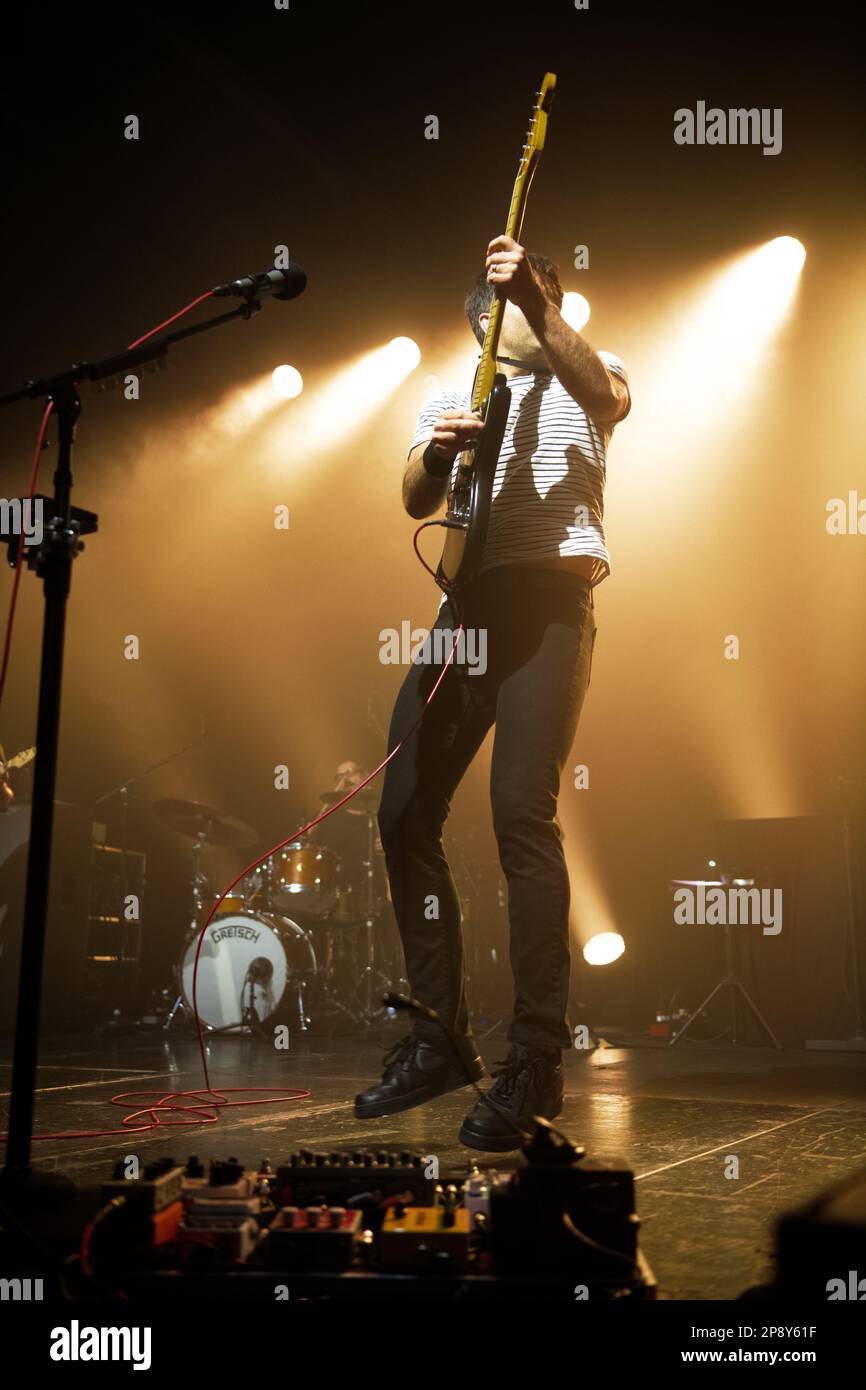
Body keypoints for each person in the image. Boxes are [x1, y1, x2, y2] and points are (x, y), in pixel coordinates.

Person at [355, 234, 630, 1150]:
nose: (501, 313)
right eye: (496, 303)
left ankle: (536, 1057)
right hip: (468, 607)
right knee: (402, 810)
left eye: (523, 300)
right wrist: (438, 454)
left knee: (521, 811)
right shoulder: (455, 393)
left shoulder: (584, 371)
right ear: (479, 319)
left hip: (549, 601)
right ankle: (439, 1036)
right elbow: (409, 499)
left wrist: (544, 309)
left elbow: (611, 398)